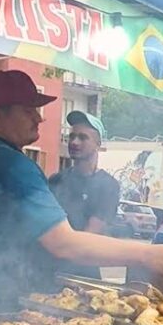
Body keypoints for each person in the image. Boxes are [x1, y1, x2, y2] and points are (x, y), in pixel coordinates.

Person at [0, 69, 163, 314]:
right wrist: (147, 254)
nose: (38, 118)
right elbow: (64, 244)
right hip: (3, 309)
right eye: (28, 111)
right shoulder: (16, 167)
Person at [48, 110, 121, 279]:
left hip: (86, 275)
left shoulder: (108, 186)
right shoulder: (56, 180)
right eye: (71, 136)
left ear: (98, 144)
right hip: (51, 270)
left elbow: (90, 235)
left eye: (83, 137)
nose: (74, 142)